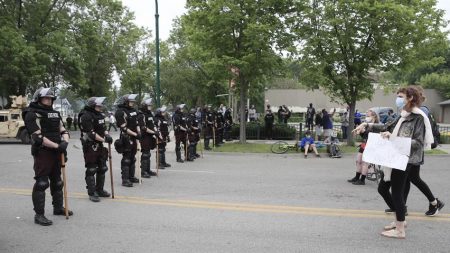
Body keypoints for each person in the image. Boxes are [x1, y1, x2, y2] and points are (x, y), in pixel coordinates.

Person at [353, 85, 444, 239]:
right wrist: (366, 125)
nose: (398, 99)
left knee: (397, 192)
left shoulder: (419, 117)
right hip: (394, 157)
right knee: (384, 188)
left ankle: (400, 228)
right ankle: (400, 220)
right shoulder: (402, 115)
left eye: (401, 96)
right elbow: (385, 126)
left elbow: (418, 143)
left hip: (405, 159)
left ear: (410, 98)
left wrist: (394, 138)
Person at [22, 87, 72, 226]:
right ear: (38, 99)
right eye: (46, 98)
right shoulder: (32, 114)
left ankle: (58, 208)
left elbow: (63, 130)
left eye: (50, 98)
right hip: (43, 152)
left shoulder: (54, 113)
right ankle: (39, 215)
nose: (49, 100)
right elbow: (38, 137)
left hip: (57, 152)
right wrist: (57, 146)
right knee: (42, 183)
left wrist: (65, 143)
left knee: (57, 182)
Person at [79, 97, 113, 202]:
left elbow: (104, 128)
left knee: (102, 168)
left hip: (100, 145)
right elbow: (91, 133)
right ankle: (92, 192)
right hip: (90, 145)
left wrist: (107, 135)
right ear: (92, 106)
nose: (100, 107)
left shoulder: (100, 115)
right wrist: (104, 140)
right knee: (91, 169)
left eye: (100, 105)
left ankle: (100, 190)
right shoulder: (86, 116)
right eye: (98, 106)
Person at [115, 94, 141, 187]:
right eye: (131, 101)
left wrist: (138, 132)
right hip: (126, 137)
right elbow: (123, 127)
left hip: (134, 137)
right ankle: (125, 179)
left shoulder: (134, 111)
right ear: (126, 101)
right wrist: (135, 134)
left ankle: (131, 176)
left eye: (133, 101)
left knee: (133, 158)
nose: (133, 103)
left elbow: (137, 122)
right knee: (126, 158)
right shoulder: (120, 112)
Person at [347, 109, 379, 185]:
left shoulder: (376, 125)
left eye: (368, 115)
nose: (367, 117)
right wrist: (360, 132)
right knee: (358, 161)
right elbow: (365, 136)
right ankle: (357, 177)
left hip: (370, 145)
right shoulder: (366, 124)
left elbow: (374, 136)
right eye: (366, 115)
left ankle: (362, 180)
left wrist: (363, 131)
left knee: (365, 162)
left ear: (373, 116)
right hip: (364, 144)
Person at [137, 97, 158, 178]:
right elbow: (143, 127)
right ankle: (143, 171)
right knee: (145, 154)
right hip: (144, 136)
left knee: (148, 153)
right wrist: (153, 132)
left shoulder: (150, 114)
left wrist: (156, 131)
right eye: (149, 106)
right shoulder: (141, 115)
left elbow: (153, 124)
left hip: (149, 136)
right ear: (144, 106)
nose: (150, 107)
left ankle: (148, 170)